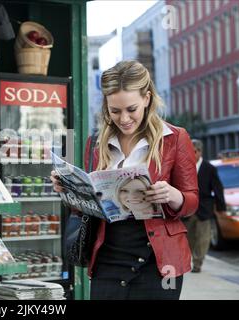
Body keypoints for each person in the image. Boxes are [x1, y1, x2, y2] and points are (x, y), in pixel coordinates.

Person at [51, 60, 198, 300]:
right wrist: (70, 191)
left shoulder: (174, 138)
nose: (124, 118)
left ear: (147, 98)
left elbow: (192, 201)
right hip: (107, 259)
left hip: (158, 264)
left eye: (132, 109)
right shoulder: (96, 143)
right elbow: (87, 208)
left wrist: (173, 196)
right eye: (115, 111)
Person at [183, 139, 227, 273]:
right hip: (187, 210)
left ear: (200, 152)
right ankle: (188, 260)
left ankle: (198, 263)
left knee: (203, 239)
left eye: (194, 151)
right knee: (188, 239)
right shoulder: (183, 166)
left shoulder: (209, 168)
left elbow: (218, 188)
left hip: (204, 209)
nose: (190, 153)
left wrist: (221, 208)